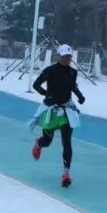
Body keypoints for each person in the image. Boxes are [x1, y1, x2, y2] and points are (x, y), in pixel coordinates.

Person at [28, 44, 85, 187]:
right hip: (52, 110)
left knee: (67, 141)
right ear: (58, 56)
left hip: (66, 109)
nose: (67, 59)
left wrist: (79, 96)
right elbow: (36, 85)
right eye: (64, 56)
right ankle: (39, 143)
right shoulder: (50, 70)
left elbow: (72, 86)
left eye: (69, 57)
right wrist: (46, 94)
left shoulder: (72, 72)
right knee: (48, 141)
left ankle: (66, 173)